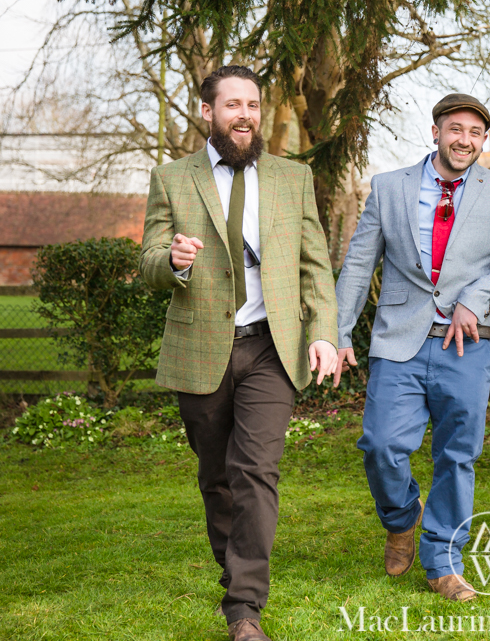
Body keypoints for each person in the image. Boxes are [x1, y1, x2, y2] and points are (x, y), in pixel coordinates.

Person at [140, 65, 338, 641]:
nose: (245, 115)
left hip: (272, 348)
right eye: (232, 105)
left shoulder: (291, 177)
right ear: (208, 112)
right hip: (200, 347)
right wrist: (173, 260)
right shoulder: (172, 178)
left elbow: (314, 264)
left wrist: (323, 332)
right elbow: (149, 260)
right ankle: (236, 568)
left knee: (256, 470)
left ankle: (244, 606)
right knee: (217, 476)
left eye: (252, 104)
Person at [333, 93, 490, 602]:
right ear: (436, 131)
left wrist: (476, 299)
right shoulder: (388, 187)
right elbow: (359, 265)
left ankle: (443, 560)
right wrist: (336, 334)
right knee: (380, 446)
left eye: (475, 133)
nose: (465, 140)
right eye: (456, 129)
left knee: (457, 456)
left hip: (467, 347)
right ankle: (402, 518)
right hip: (399, 340)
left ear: (483, 140)